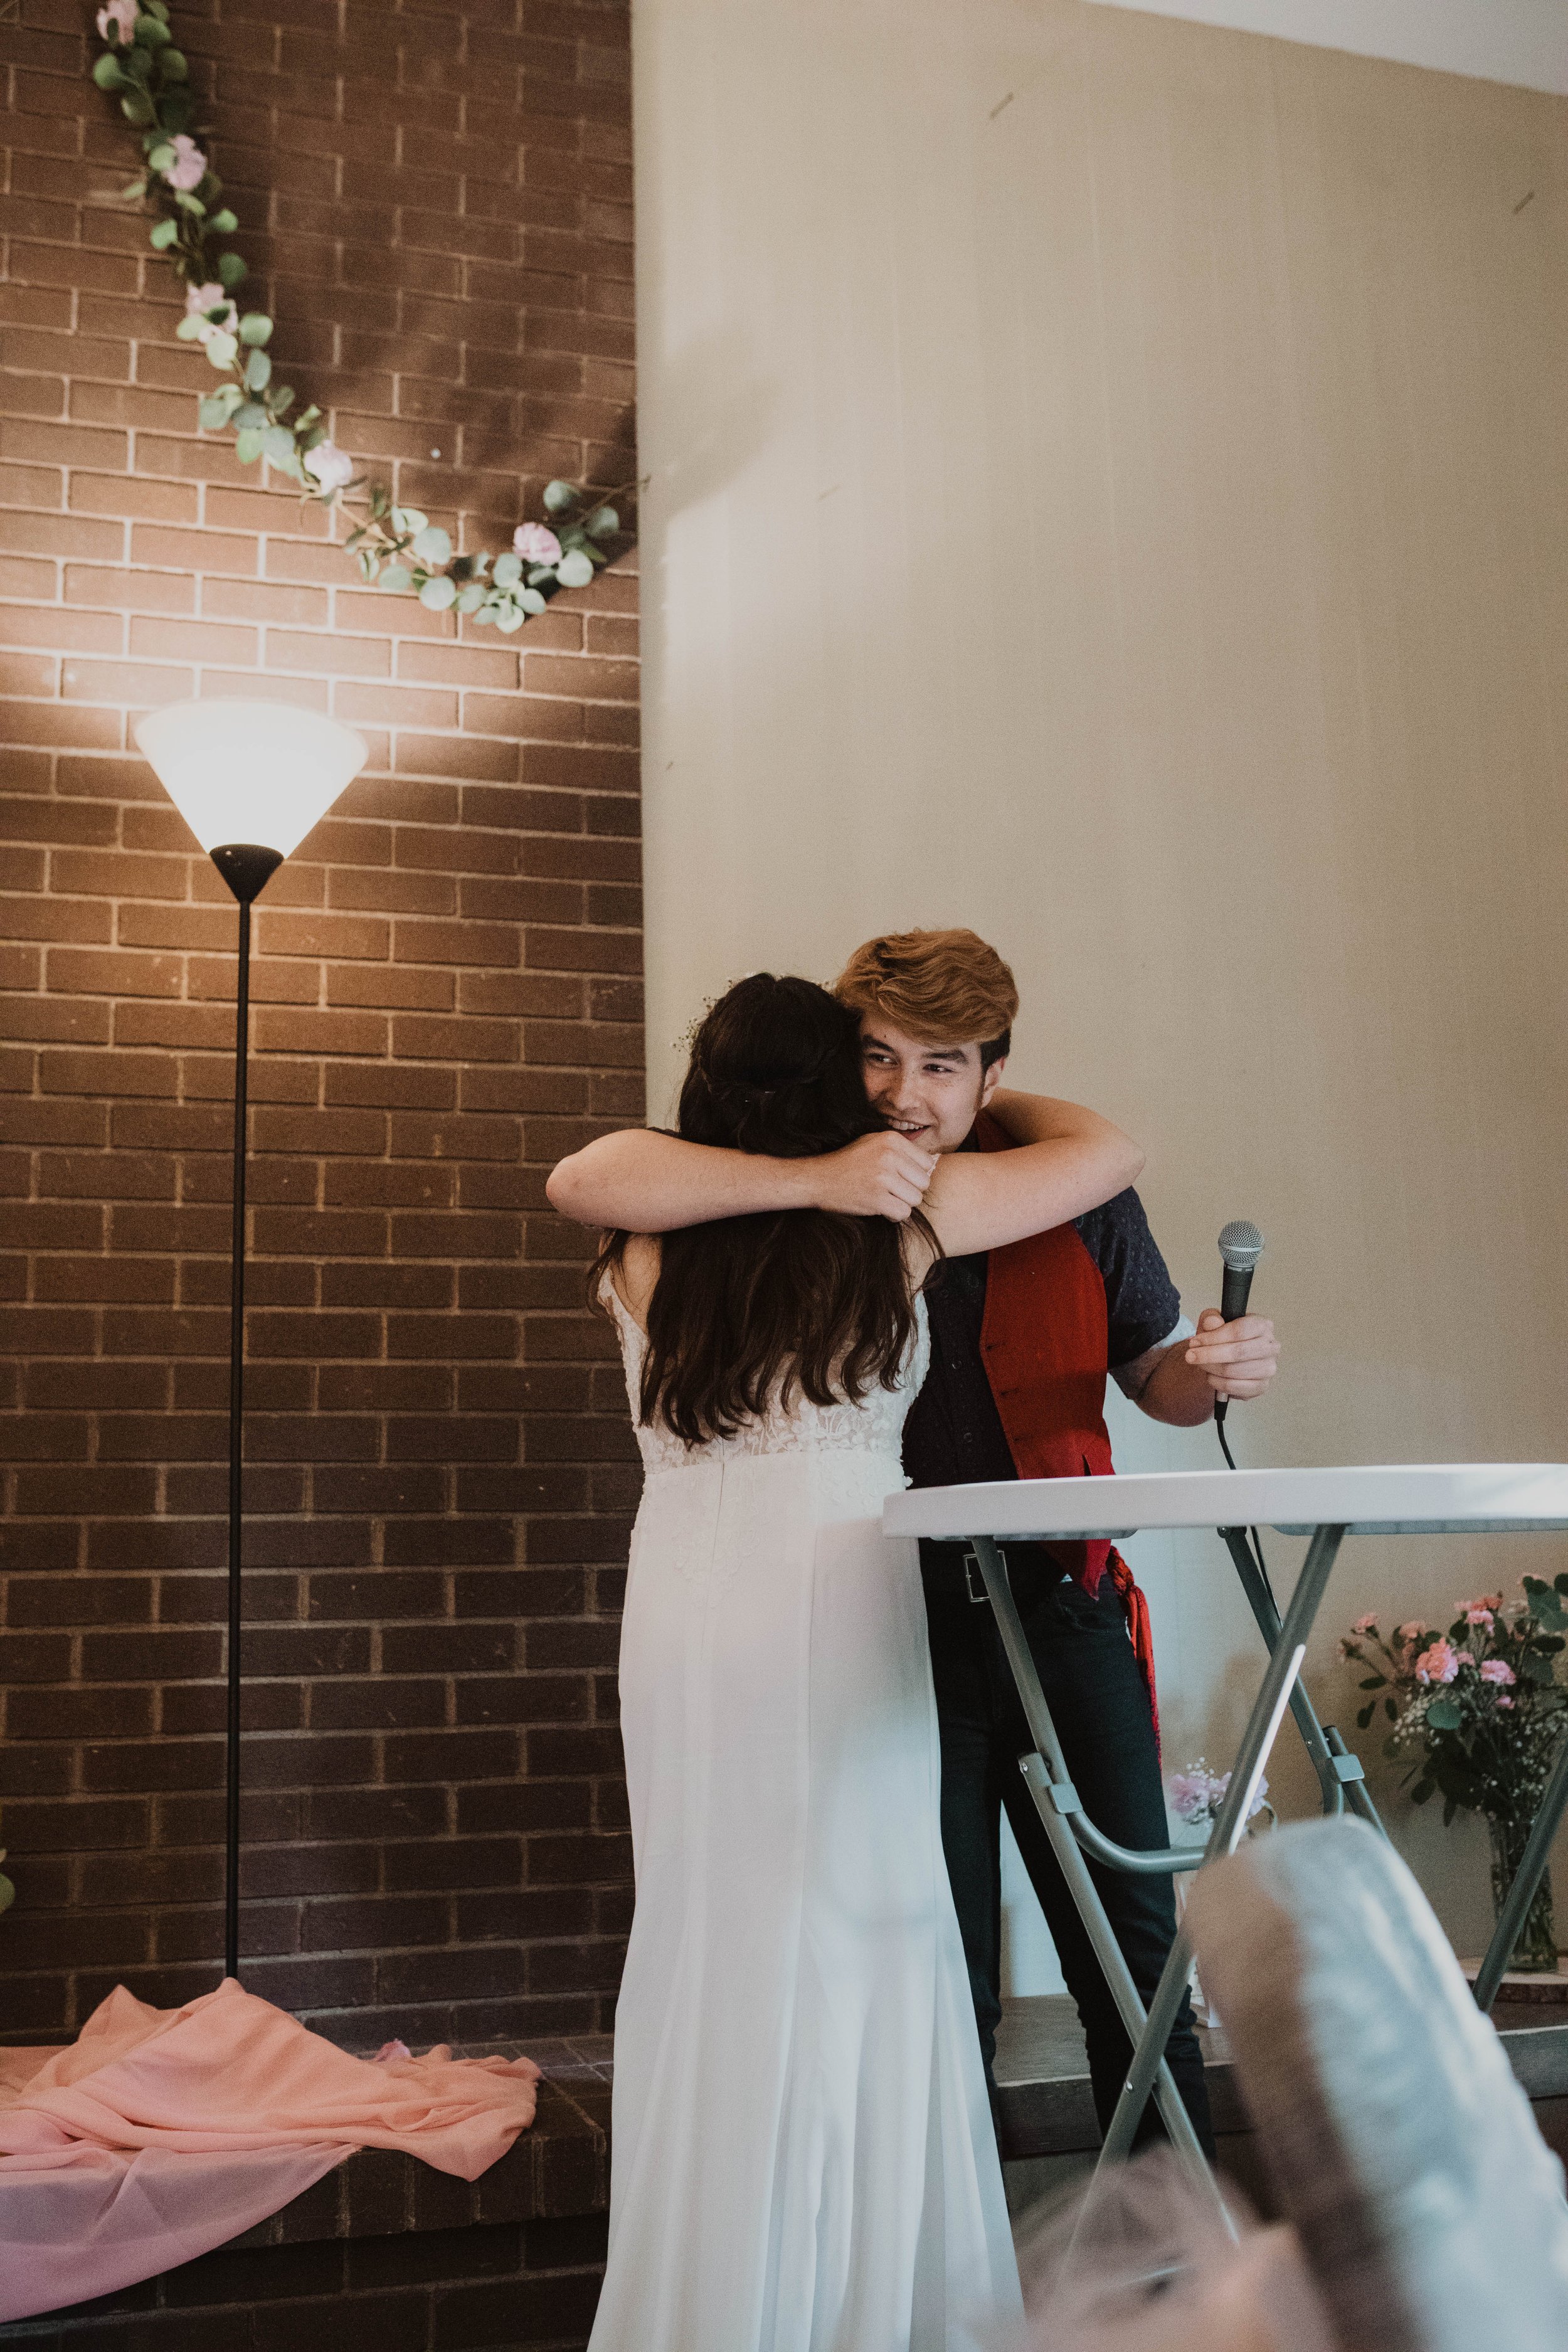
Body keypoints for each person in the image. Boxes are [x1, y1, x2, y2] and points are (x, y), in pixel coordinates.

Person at [549, 930, 1281, 2160]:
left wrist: (1206, 1377)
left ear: (991, 1076)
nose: (902, 1094)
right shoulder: (810, 1201)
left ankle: (1172, 2255)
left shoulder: (1044, 1189)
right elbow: (588, 1177)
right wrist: (824, 1176)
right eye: (877, 1060)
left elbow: (1151, 1372)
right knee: (927, 1953)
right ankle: (952, 2245)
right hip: (887, 1627)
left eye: (941, 1066)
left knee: (1130, 1942)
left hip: (1064, 1601)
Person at [548, 972, 1145, 2352]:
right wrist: (931, 1115)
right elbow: (1108, 1149)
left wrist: (822, 1161)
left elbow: (591, 1173)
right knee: (863, 1928)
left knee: (715, 1928)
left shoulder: (646, 1242)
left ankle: (725, 2286)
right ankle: (862, 2292)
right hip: (834, 1599)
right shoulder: (899, 1227)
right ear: (831, 1096)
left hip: (688, 1611)